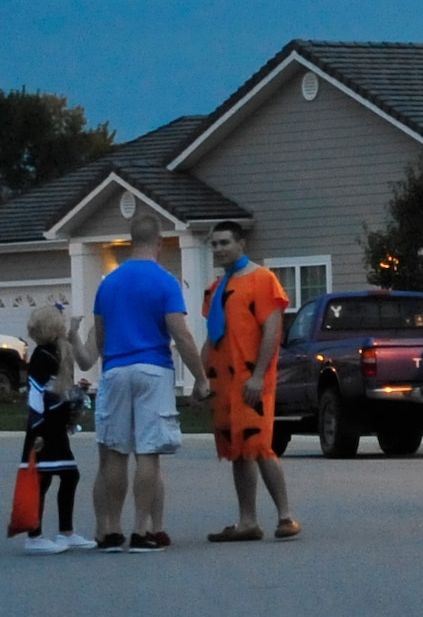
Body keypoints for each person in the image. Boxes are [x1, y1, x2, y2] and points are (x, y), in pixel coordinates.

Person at [73, 213, 209, 551]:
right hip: (153, 369)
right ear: (160, 244)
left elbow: (100, 338)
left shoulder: (108, 283)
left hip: (115, 370)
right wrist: (201, 377)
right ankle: (142, 531)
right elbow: (181, 333)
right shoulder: (165, 282)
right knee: (148, 451)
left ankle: (112, 530)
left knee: (115, 451)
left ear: (132, 241)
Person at [197, 222, 300, 542]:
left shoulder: (262, 280)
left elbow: (272, 331)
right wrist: (200, 379)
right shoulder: (217, 288)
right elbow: (211, 338)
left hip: (251, 379)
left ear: (241, 243)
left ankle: (285, 517)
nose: (219, 249)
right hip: (223, 383)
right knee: (237, 450)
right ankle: (247, 521)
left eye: (225, 242)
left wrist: (257, 376)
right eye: (214, 244)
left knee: (258, 445)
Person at [14, 305, 93, 554]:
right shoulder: (41, 355)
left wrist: (74, 395)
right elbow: (36, 393)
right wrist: (37, 429)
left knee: (67, 475)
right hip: (43, 428)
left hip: (54, 426)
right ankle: (34, 537)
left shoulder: (53, 352)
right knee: (43, 478)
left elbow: (56, 385)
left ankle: (65, 532)